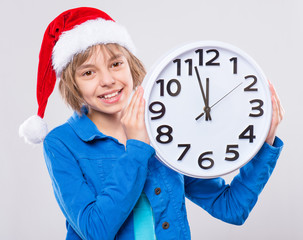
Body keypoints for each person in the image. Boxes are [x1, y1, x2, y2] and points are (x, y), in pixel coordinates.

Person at [19, 7, 284, 240]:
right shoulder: (62, 143)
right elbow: (95, 231)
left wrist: (266, 141)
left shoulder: (166, 129)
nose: (108, 80)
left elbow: (232, 208)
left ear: (130, 64)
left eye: (115, 64)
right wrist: (137, 147)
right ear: (71, 82)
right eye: (89, 72)